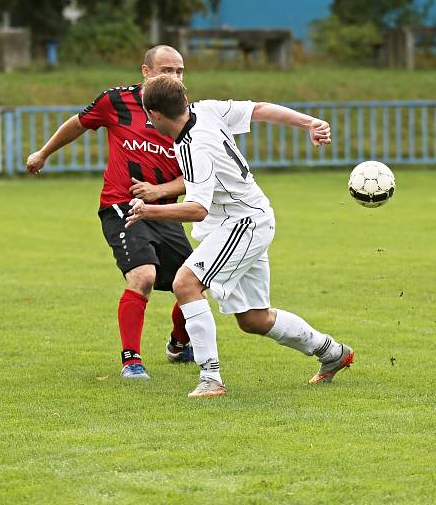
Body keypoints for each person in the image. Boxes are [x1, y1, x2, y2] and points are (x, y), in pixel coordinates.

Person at [128, 75, 354, 397]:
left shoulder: (193, 146)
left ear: (155, 114)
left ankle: (210, 378)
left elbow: (197, 209)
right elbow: (259, 109)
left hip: (242, 224)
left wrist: (149, 211)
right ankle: (333, 353)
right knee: (253, 319)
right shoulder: (205, 110)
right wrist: (310, 122)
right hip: (249, 219)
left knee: (185, 284)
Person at [26, 45, 196, 380]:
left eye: (179, 71)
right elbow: (78, 123)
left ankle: (178, 343)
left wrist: (160, 192)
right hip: (121, 207)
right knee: (143, 276)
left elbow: (194, 176)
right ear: (146, 73)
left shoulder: (189, 116)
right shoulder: (115, 101)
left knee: (193, 283)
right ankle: (131, 360)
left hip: (164, 212)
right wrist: (44, 152)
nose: (174, 77)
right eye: (166, 70)